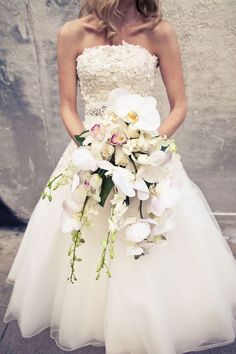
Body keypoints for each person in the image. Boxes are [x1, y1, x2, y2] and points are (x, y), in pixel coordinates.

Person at [3, 1, 236, 353]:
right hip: (89, 155)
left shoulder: (159, 31)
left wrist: (146, 149)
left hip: (147, 155)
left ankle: (156, 313)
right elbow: (68, 105)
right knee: (87, 229)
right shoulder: (72, 33)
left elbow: (179, 106)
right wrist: (92, 151)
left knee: (149, 230)